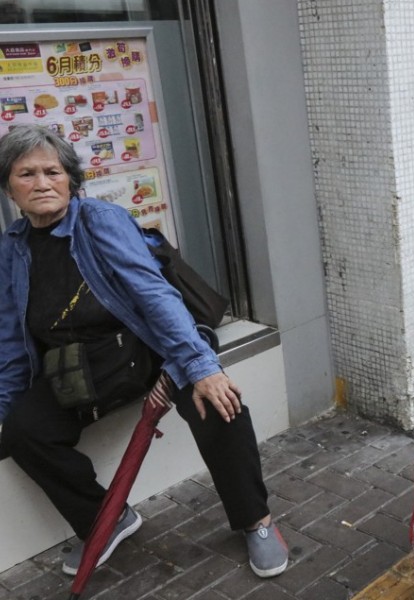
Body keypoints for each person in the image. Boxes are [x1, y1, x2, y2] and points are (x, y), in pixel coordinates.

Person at [0, 126, 288, 579]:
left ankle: (256, 519)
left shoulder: (99, 221)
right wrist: (7, 402)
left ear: (71, 180)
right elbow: (11, 336)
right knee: (21, 432)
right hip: (76, 370)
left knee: (218, 402)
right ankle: (105, 519)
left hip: (141, 350)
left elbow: (153, 296)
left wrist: (199, 365)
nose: (42, 183)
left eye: (52, 171)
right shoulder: (12, 248)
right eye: (26, 174)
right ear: (9, 187)